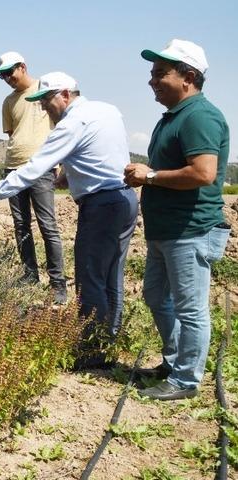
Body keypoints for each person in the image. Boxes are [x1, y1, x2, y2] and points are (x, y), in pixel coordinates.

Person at [0, 72, 137, 369]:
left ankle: (91, 351)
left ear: (65, 95)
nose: (44, 108)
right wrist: (69, 174)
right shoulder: (108, 110)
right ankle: (108, 340)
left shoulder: (71, 124)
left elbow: (32, 169)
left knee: (90, 280)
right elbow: (102, 151)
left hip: (101, 207)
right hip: (124, 201)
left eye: (46, 101)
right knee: (111, 278)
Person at [125, 39, 230, 401]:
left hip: (191, 230)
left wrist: (150, 176)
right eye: (152, 74)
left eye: (160, 74)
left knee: (190, 308)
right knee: (156, 295)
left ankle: (186, 380)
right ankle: (174, 361)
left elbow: (203, 173)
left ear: (188, 77)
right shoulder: (172, 118)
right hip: (167, 230)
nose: (152, 81)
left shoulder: (199, 116)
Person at [0, 52, 67, 303]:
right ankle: (29, 276)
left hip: (42, 168)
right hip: (13, 168)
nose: (6, 78)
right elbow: (13, 134)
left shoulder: (44, 89)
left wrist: (59, 162)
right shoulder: (7, 102)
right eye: (2, 75)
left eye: (9, 72)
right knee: (21, 225)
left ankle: (58, 284)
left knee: (47, 225)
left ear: (23, 67)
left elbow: (62, 123)